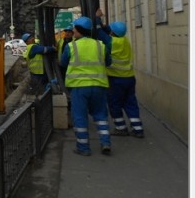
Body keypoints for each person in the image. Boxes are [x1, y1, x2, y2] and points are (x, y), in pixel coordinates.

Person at [60, 16, 112, 156]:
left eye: (74, 29)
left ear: (79, 30)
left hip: (79, 87)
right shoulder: (100, 45)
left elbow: (63, 63)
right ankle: (105, 143)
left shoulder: (72, 46)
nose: (73, 31)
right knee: (100, 115)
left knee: (80, 116)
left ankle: (83, 148)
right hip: (99, 86)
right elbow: (108, 62)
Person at [107, 21, 144, 138]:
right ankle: (138, 128)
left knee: (115, 103)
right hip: (129, 77)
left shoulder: (112, 42)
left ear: (112, 32)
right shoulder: (125, 41)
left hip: (116, 79)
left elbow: (102, 36)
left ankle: (121, 127)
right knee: (130, 102)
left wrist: (98, 21)